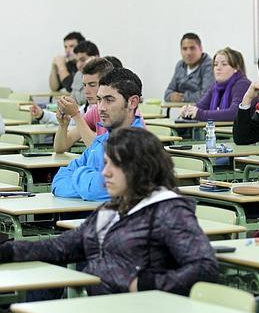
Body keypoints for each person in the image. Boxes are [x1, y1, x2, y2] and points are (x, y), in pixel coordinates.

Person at [0, 128, 219, 296]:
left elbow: (204, 267)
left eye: (115, 165)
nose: (105, 172)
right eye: (105, 163)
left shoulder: (168, 210)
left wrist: (143, 284)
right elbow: (62, 247)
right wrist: (8, 252)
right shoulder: (114, 209)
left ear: (141, 167)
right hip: (95, 310)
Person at [51, 68, 145, 201]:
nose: (101, 108)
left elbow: (95, 190)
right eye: (99, 100)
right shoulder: (101, 141)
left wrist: (79, 174)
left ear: (132, 102)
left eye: (109, 100)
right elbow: (58, 182)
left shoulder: (140, 146)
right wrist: (91, 179)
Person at [179, 47, 250, 121]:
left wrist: (199, 114)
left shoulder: (243, 84)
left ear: (236, 68)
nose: (218, 68)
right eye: (215, 64)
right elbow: (200, 106)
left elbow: (235, 113)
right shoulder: (216, 86)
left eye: (224, 64)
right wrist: (187, 110)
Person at [164, 33, 215, 103]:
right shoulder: (180, 66)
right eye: (184, 49)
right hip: (185, 112)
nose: (188, 53)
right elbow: (168, 92)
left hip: (204, 112)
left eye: (192, 48)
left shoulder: (210, 66)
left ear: (201, 49)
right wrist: (171, 96)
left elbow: (207, 96)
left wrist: (183, 98)